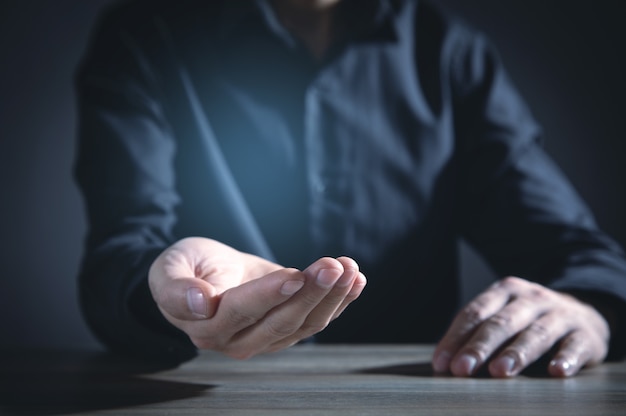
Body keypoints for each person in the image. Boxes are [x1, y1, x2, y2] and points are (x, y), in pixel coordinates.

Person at [74, 0, 626, 378]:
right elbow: (117, 258)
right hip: (202, 398)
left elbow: (575, 251)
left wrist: (588, 309)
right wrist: (167, 296)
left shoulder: (449, 53)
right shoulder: (145, 34)